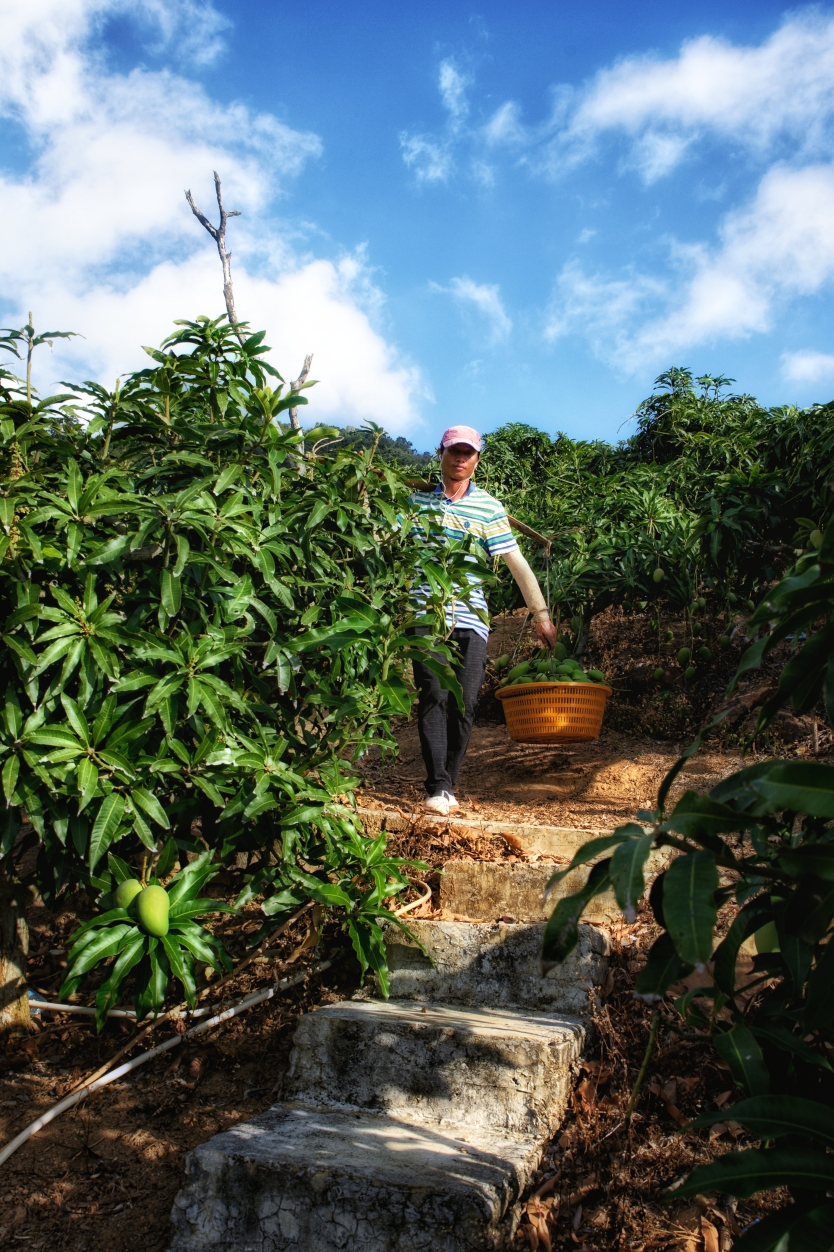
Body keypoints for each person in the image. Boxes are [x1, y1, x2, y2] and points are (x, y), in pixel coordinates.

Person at [410, 426, 557, 816]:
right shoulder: (416, 501)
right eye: (454, 452)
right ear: (440, 453)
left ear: (476, 459)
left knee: (466, 701)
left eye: (468, 453)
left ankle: (448, 782)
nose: (460, 459)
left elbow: (516, 563)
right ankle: (437, 786)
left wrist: (541, 615)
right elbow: (390, 549)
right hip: (424, 611)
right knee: (434, 695)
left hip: (471, 617)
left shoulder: (489, 508)